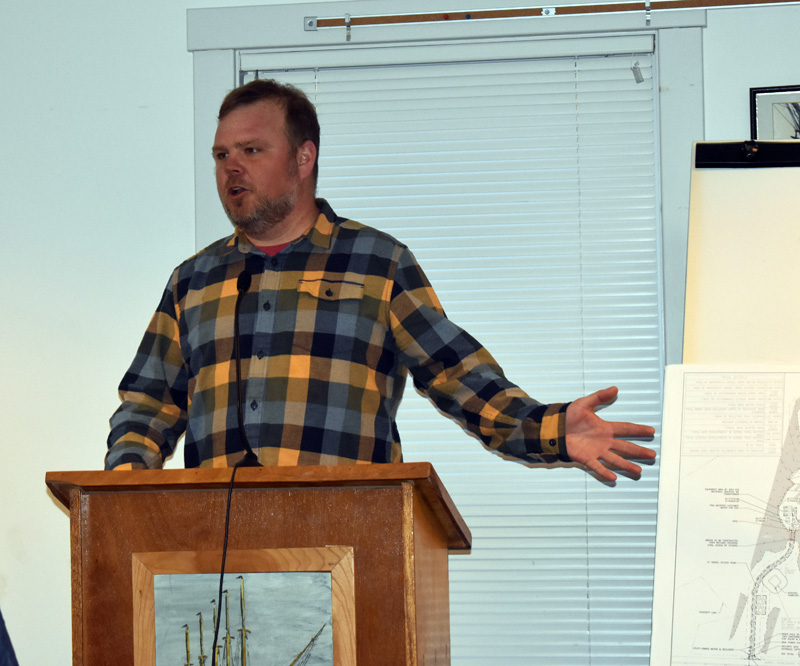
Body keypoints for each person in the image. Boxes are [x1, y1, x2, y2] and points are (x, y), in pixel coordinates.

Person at [105, 79, 655, 481]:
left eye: (251, 150)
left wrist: (553, 429)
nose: (231, 168)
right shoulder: (192, 280)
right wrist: (125, 483)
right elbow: (149, 403)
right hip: (214, 560)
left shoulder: (377, 263)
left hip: (346, 544)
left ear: (304, 157)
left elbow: (458, 377)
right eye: (222, 154)